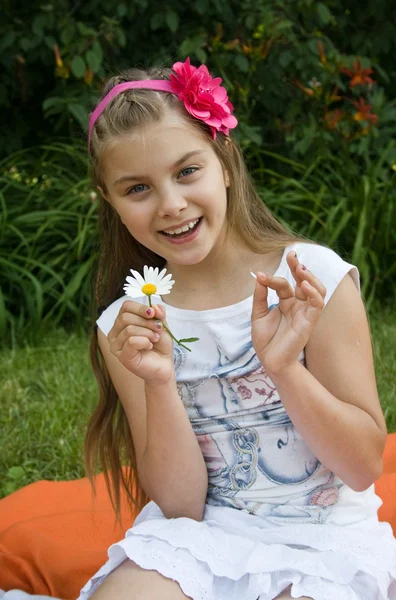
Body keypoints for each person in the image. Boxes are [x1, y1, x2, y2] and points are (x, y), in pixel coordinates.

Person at [81, 58, 396, 600]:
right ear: (110, 201)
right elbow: (179, 507)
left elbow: (363, 465)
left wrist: (283, 370)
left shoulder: (310, 278)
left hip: (322, 543)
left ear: (224, 160)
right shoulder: (127, 324)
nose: (172, 203)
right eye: (137, 189)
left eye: (186, 171)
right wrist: (159, 381)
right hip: (201, 542)